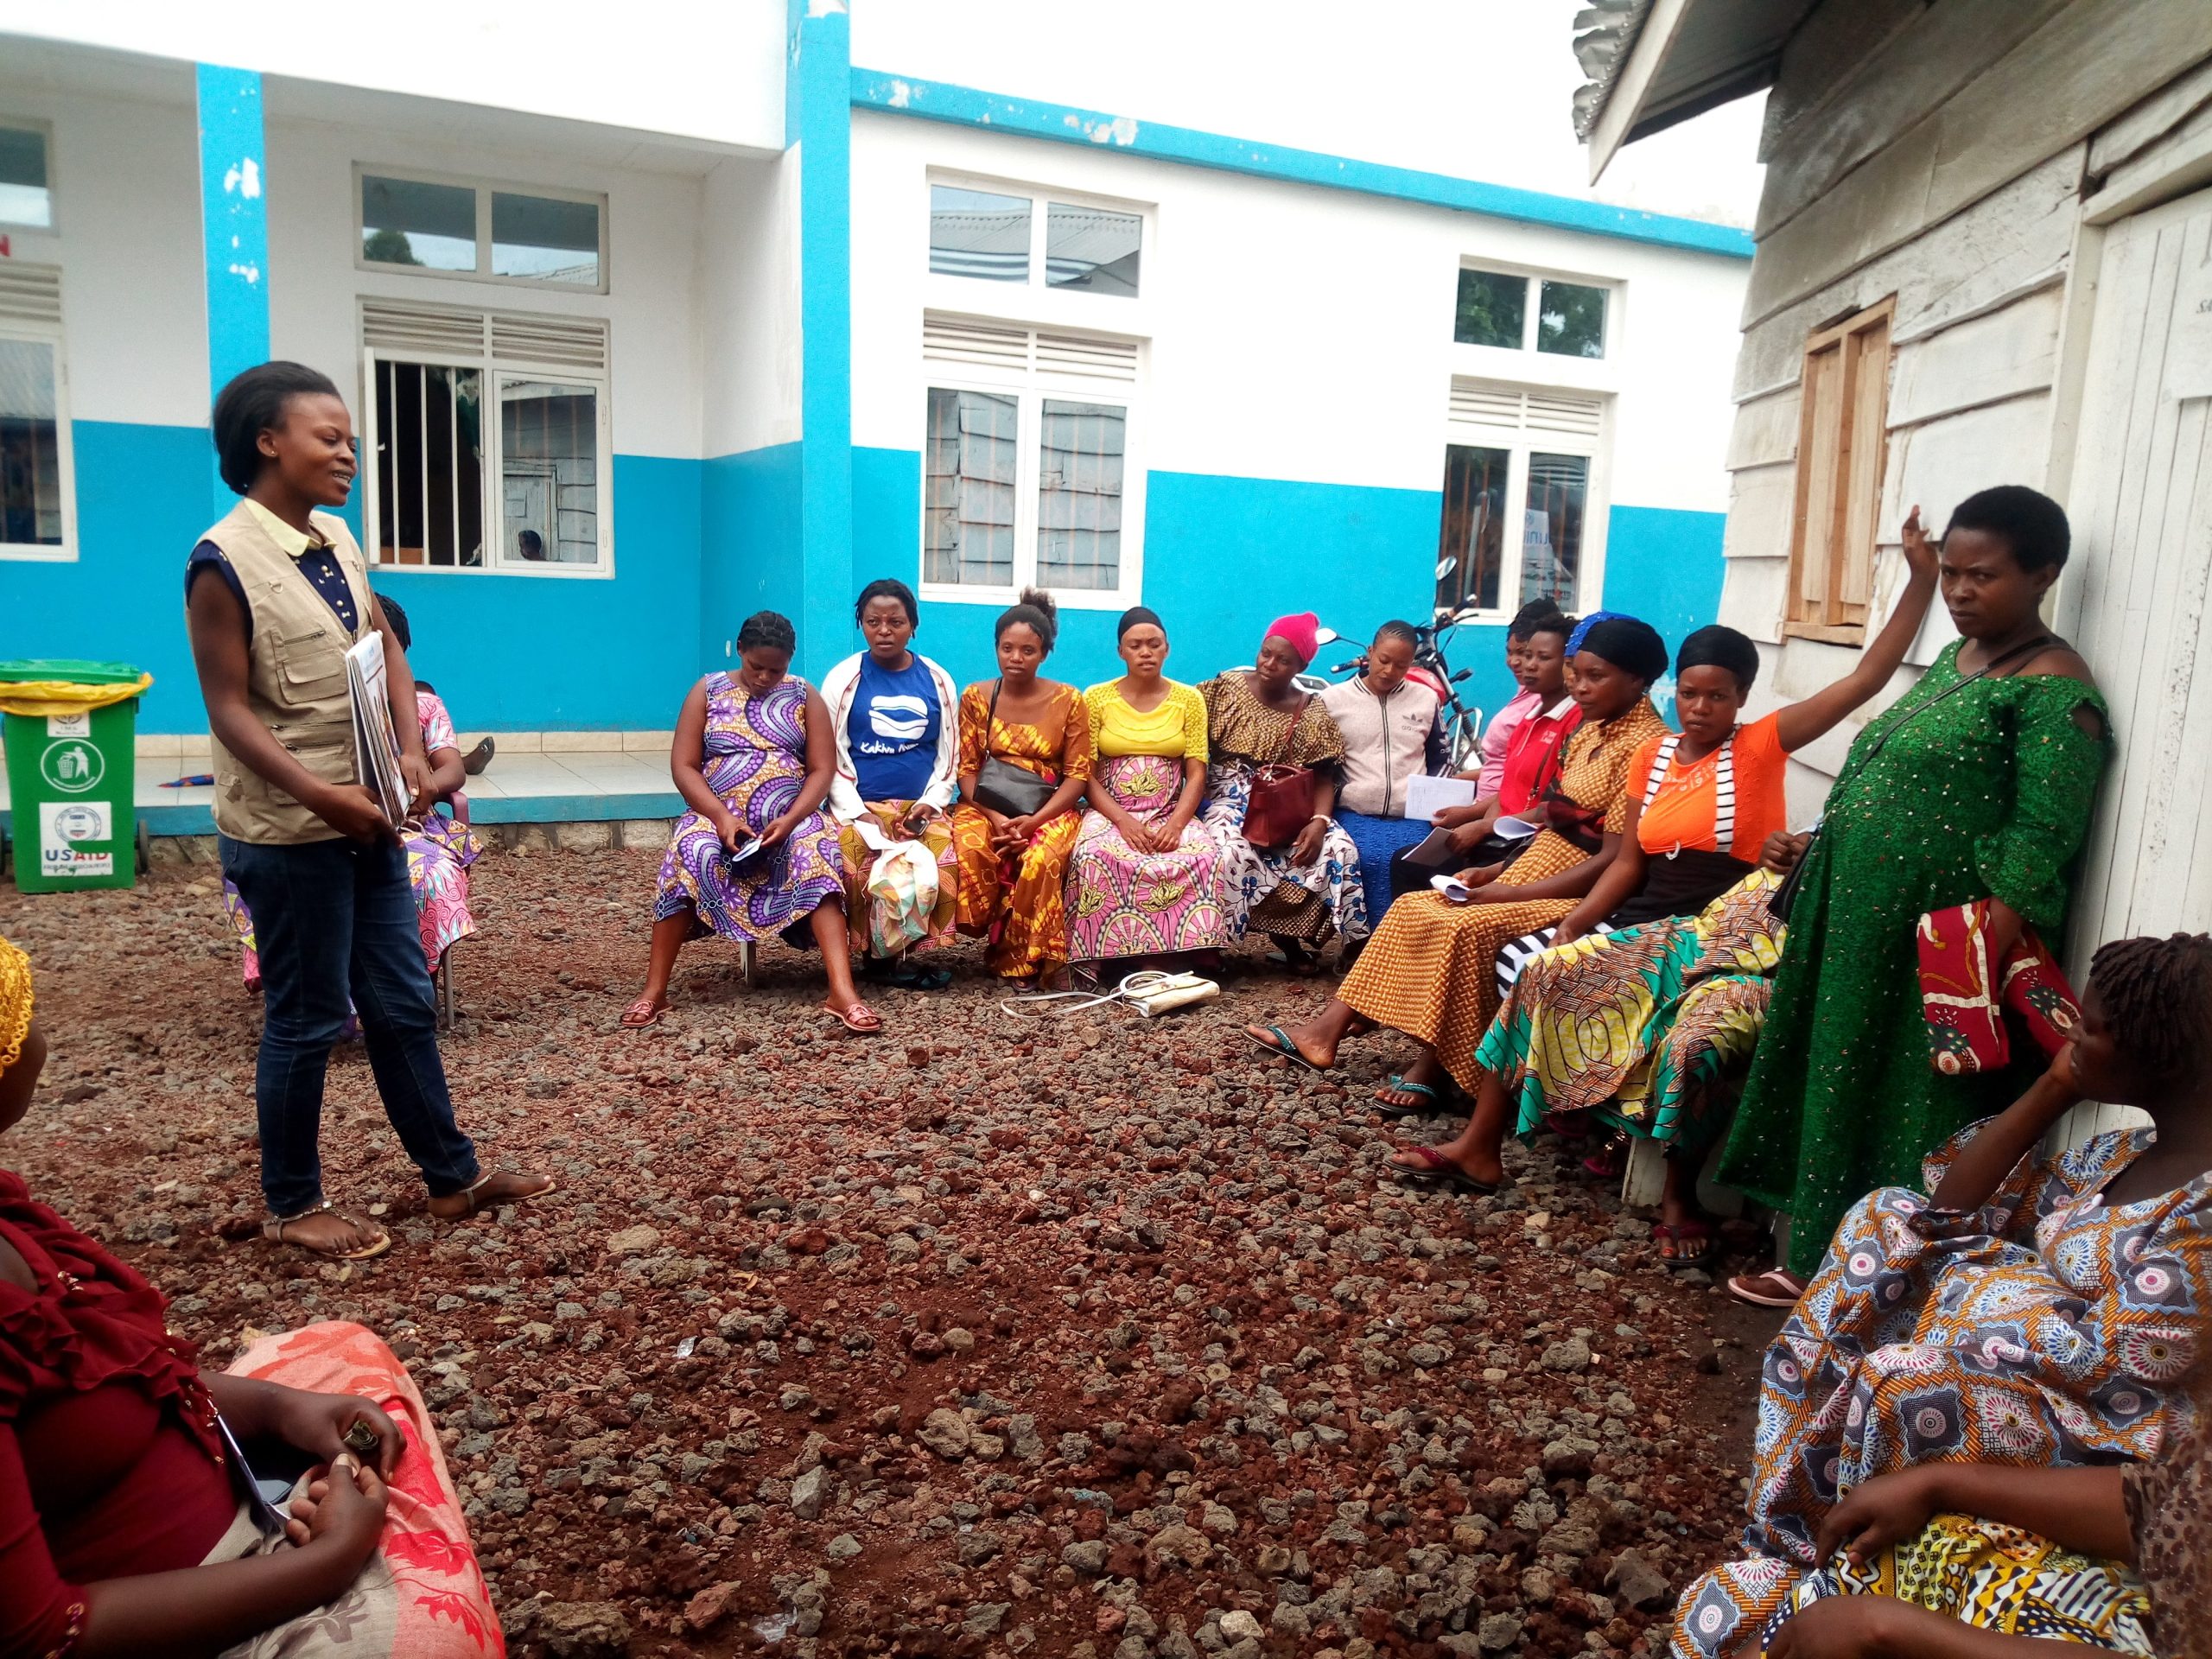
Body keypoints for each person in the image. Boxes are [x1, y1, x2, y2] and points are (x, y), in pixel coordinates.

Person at [1395, 524, 1945, 1253]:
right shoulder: (1650, 756)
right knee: (1543, 970)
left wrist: (1921, 582)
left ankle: (1679, 1201)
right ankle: (1481, 1145)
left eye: (1718, 696)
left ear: (1743, 697)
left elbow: (1864, 680)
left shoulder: (1761, 746)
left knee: (1692, 1036)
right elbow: (1625, 863)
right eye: (1690, 693)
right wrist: (1578, 921)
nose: (1701, 708)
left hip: (1731, 931)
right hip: (1650, 919)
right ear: (1672, 691)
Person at [0, 936, 501, 1659]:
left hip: (202, 1506)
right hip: (163, 1606)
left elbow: (93, 1374)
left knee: (342, 1351)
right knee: (431, 1643)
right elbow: (43, 1635)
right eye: (26, 1011)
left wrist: (280, 1409)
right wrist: (323, 1563)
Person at [184, 362, 551, 1261]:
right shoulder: (221, 563)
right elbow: (228, 708)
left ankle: (451, 1177)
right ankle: (293, 1203)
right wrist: (321, 796)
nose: (350, 452)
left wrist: (409, 755)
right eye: (329, 436)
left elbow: (382, 646)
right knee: (306, 1019)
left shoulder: (339, 541)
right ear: (268, 442)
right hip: (292, 834)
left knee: (399, 1001)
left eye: (351, 438)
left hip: (371, 820)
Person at [1718, 486, 2110, 1306]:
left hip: (1939, 943)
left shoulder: (2053, 688)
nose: (1962, 593)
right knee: (1839, 1073)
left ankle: (1894, 1273)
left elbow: (2043, 835)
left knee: (1910, 1094)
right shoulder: (1957, 662)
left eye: (1984, 576)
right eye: (1954, 576)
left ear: (2044, 574)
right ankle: (1821, 1250)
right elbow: (1890, 775)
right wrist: (1816, 843)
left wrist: (1977, 959)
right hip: (1860, 919)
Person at [1736, 933, 2212, 1571]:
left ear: (2162, 1057)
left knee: (1903, 1381)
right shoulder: (2125, 1154)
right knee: (1887, 1217)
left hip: (2111, 1433)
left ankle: (1830, 1559)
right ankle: (1787, 1499)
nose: (2069, 1035)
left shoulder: (2200, 1212)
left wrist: (1981, 1295)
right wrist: (2054, 1088)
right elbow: (1950, 1211)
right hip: (2021, 1363)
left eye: (2088, 1030)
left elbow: (2114, 1367)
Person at [1248, 613, 1671, 1116]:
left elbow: (1614, 859)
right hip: (1531, 863)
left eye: (1594, 676)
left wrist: (1506, 891)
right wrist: (1495, 872)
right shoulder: (1593, 731)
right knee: (1415, 907)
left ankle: (1438, 1067)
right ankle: (1325, 1032)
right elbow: (1553, 817)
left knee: (1465, 925)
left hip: (1575, 887)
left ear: (1639, 679)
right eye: (1577, 673)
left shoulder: (1646, 747)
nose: (1578, 686)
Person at [1669, 1388, 2204, 1656]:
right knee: (1910, 1546)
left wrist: (1890, 1631)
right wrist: (1935, 1484)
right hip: (2148, 1608)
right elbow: (2158, 1504)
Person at [219, 594, 485, 995]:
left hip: (410, 826)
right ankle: (325, 994)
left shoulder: (424, 707)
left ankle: (410, 983)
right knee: (307, 877)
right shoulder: (317, 713)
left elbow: (451, 766)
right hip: (322, 826)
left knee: (431, 873)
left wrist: (422, 783)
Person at [624, 611, 875, 1033]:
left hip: (791, 817)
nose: (764, 677)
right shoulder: (707, 691)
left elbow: (821, 769)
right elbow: (684, 766)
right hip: (716, 813)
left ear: (790, 661)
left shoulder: (803, 695)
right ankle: (655, 990)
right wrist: (721, 818)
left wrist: (794, 818)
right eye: (756, 666)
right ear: (739, 651)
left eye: (776, 669)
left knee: (818, 853)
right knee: (691, 849)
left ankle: (842, 990)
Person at [1197, 613, 1368, 970]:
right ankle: (1213, 952)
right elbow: (1189, 737)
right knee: (1230, 854)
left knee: (1339, 850)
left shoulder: (1310, 709)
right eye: (1265, 653)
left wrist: (1320, 822)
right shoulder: (1226, 689)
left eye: (1283, 660)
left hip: (1288, 800)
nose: (1269, 664)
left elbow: (1325, 773)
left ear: (1302, 665)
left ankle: (1352, 950)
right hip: (1230, 800)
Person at [1065, 607, 1230, 971]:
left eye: (1153, 644)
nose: (1145, 652)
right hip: (1111, 811)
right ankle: (1103, 956)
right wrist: (1123, 821)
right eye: (1135, 645)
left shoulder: (1189, 699)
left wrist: (1176, 824)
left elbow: (1197, 772)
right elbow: (1086, 775)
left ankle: (1188, 954)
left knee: (1202, 855)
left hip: (1169, 810)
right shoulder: (1096, 697)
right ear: (1120, 651)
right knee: (1093, 855)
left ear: (1167, 649)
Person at [821, 579, 963, 989]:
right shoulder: (844, 678)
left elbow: (948, 754)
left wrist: (929, 805)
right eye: (873, 621)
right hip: (859, 802)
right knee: (854, 853)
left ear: (912, 626)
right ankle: (870, 956)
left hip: (920, 805)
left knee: (939, 855)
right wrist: (860, 812)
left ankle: (905, 955)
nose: (884, 630)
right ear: (861, 625)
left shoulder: (937, 679)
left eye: (895, 622)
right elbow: (831, 754)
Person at [949, 590, 1095, 983]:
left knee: (1042, 858)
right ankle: (989, 937)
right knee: (973, 846)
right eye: (1007, 648)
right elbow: (966, 769)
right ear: (996, 648)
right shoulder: (977, 696)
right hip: (986, 804)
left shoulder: (1069, 700)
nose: (1016, 658)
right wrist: (997, 819)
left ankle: (1027, 960)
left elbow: (1077, 776)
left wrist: (1033, 823)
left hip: (1049, 805)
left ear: (1045, 653)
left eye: (1028, 650)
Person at [1395, 609, 1580, 902]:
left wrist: (1480, 827)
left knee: (1434, 899)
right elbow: (1506, 791)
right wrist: (1478, 830)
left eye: (1542, 658)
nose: (1528, 665)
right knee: (1407, 863)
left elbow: (1553, 807)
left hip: (1530, 846)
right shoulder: (1528, 720)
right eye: (1526, 654)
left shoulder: (1574, 724)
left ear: (1570, 665)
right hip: (1495, 837)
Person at [1320, 620, 1449, 930]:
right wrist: (1342, 795)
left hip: (1413, 815)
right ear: (1370, 652)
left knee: (1417, 862)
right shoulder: (1333, 701)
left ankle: (1408, 948)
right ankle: (1363, 948)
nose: (1390, 671)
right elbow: (1322, 765)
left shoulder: (1426, 699)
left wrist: (1430, 799)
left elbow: (1441, 758)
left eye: (1401, 665)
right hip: (1354, 812)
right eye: (1384, 660)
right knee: (1367, 860)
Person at [1472, 600, 1570, 797]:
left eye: (1541, 657)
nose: (1522, 663)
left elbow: (1535, 788)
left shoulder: (1554, 712)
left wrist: (1478, 822)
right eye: (1511, 652)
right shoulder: (1530, 706)